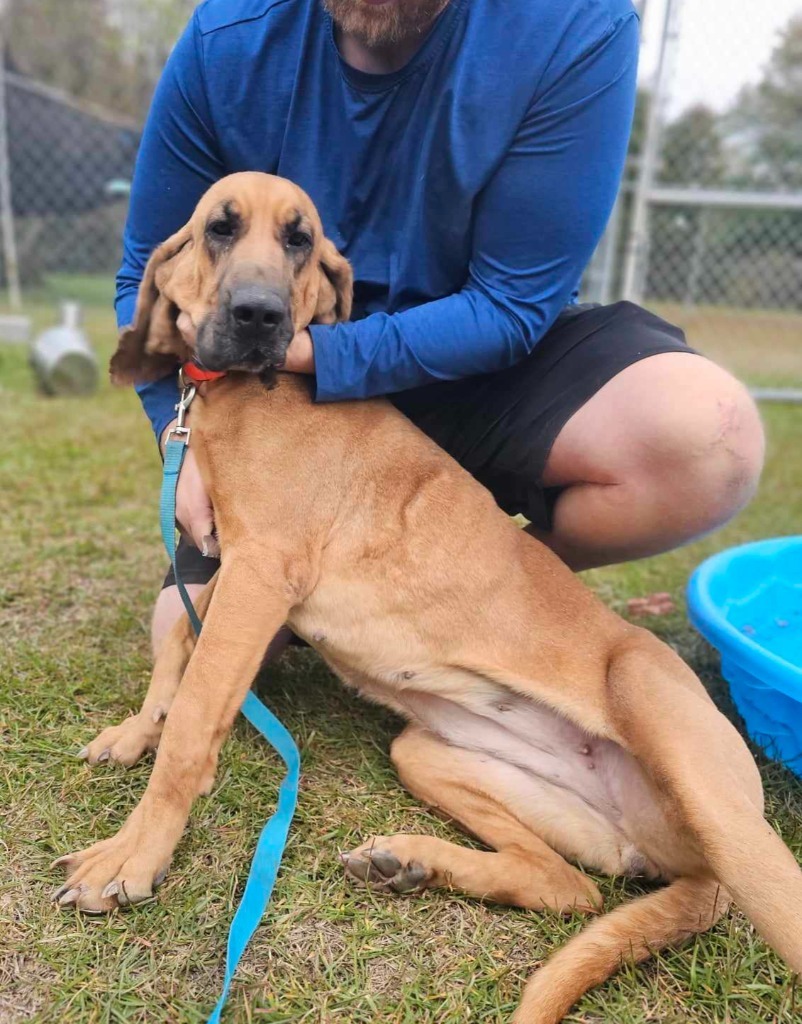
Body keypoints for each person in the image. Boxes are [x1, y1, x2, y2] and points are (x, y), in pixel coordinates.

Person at [116, 0, 764, 656]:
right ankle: (335, 583)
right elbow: (147, 271)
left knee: (709, 437)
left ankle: (467, 590)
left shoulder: (574, 24)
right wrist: (179, 437)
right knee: (185, 641)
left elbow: (510, 305)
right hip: (290, 399)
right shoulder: (229, 35)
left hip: (477, 367)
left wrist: (312, 350)